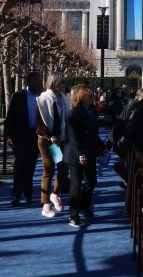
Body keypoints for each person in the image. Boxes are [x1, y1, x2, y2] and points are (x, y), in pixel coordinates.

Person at [63, 84, 105, 227]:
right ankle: (73, 215)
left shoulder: (91, 111)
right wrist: (80, 153)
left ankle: (84, 206)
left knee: (91, 181)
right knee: (75, 184)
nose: (92, 97)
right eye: (89, 95)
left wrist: (101, 145)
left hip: (90, 151)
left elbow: (93, 132)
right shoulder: (73, 113)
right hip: (76, 154)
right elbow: (73, 136)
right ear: (82, 97)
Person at [5, 71, 43, 206]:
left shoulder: (42, 96)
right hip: (20, 136)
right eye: (37, 80)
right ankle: (16, 195)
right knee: (20, 165)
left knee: (31, 166)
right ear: (29, 82)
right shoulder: (18, 96)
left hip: (35, 135)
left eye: (40, 80)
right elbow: (10, 117)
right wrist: (9, 135)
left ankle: (28, 194)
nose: (40, 83)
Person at [36, 72, 71, 218]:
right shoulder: (43, 99)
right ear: (56, 83)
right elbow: (40, 123)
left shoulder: (64, 98)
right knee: (48, 169)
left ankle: (55, 194)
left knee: (63, 168)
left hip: (60, 139)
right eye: (62, 82)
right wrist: (50, 136)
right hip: (47, 140)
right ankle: (45, 205)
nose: (64, 84)